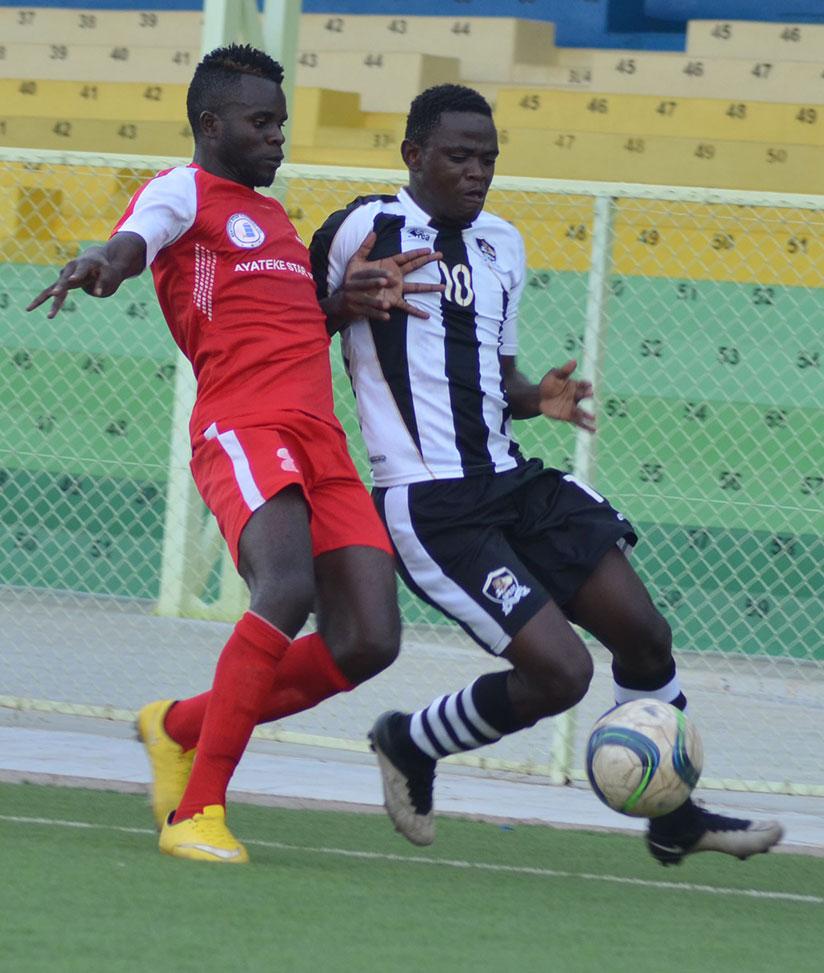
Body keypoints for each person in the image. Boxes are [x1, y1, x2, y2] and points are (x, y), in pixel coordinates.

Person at [309, 84, 783, 865]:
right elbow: (282, 318)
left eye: (489, 159)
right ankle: (411, 741)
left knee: (643, 633)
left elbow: (495, 375)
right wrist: (337, 302)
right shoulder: (361, 227)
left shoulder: (503, 243)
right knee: (561, 673)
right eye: (459, 156)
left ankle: (673, 814)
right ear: (413, 155)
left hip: (512, 479)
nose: (477, 172)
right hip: (433, 503)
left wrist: (537, 396)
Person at [27, 44, 442, 864]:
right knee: (283, 584)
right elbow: (137, 239)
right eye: (261, 123)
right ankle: (198, 811)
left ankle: (177, 727)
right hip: (242, 427)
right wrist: (102, 264)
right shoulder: (185, 191)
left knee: (370, 638)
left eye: (281, 124)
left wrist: (341, 301)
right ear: (210, 124)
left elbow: (280, 322)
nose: (277, 138)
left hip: (318, 438)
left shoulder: (278, 222)